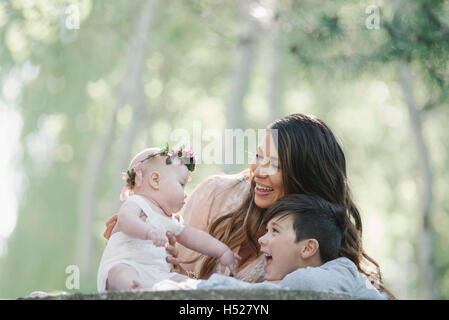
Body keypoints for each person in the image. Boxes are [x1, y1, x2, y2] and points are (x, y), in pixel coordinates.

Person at [104, 113, 394, 298]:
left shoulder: (316, 237)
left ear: (304, 175)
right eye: (258, 156)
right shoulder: (219, 195)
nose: (259, 170)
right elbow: (172, 269)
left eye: (275, 164)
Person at [151, 194, 387, 300]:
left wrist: (197, 286)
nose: (262, 240)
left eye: (275, 231)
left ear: (307, 249)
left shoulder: (338, 273)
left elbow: (262, 297)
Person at [97, 145, 239, 292]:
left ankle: (205, 289)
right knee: (120, 272)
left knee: (184, 281)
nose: (185, 194)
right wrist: (148, 232)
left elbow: (195, 237)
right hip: (127, 263)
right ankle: (135, 289)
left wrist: (222, 251)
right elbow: (125, 220)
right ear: (155, 180)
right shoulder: (137, 203)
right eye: (181, 184)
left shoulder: (171, 220)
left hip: (158, 274)